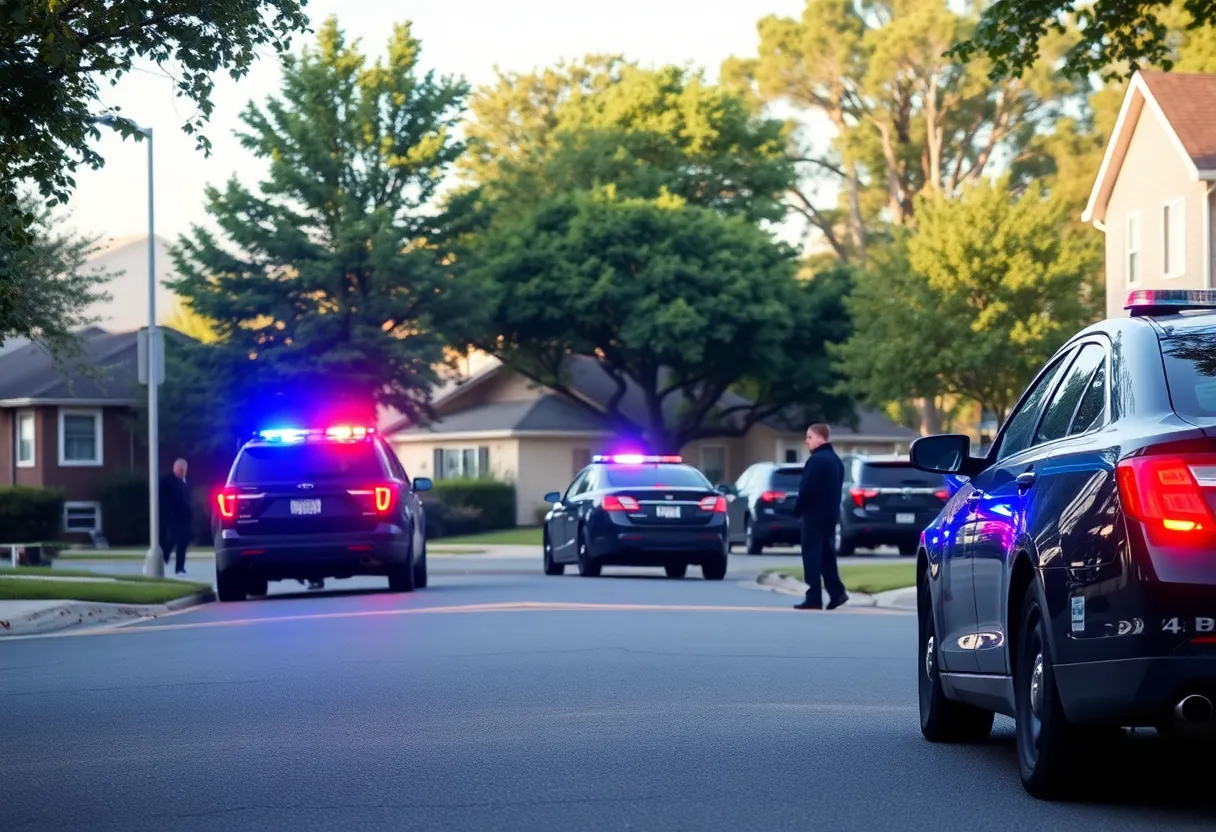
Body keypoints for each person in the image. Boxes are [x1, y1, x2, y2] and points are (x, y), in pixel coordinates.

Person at [791, 423, 849, 611]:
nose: (806, 441)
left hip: (814, 515)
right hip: (830, 515)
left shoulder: (816, 461)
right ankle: (837, 592)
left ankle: (814, 597)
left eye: (809, 437)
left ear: (820, 438)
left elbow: (807, 489)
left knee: (812, 556)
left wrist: (797, 509)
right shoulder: (835, 461)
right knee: (826, 555)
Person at [158, 458, 193, 576]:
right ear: (176, 469)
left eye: (184, 470)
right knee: (169, 542)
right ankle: (162, 561)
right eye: (181, 470)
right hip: (171, 518)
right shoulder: (167, 482)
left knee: (182, 543)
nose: (182, 472)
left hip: (183, 519)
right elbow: (163, 501)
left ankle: (180, 568)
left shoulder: (184, 483)